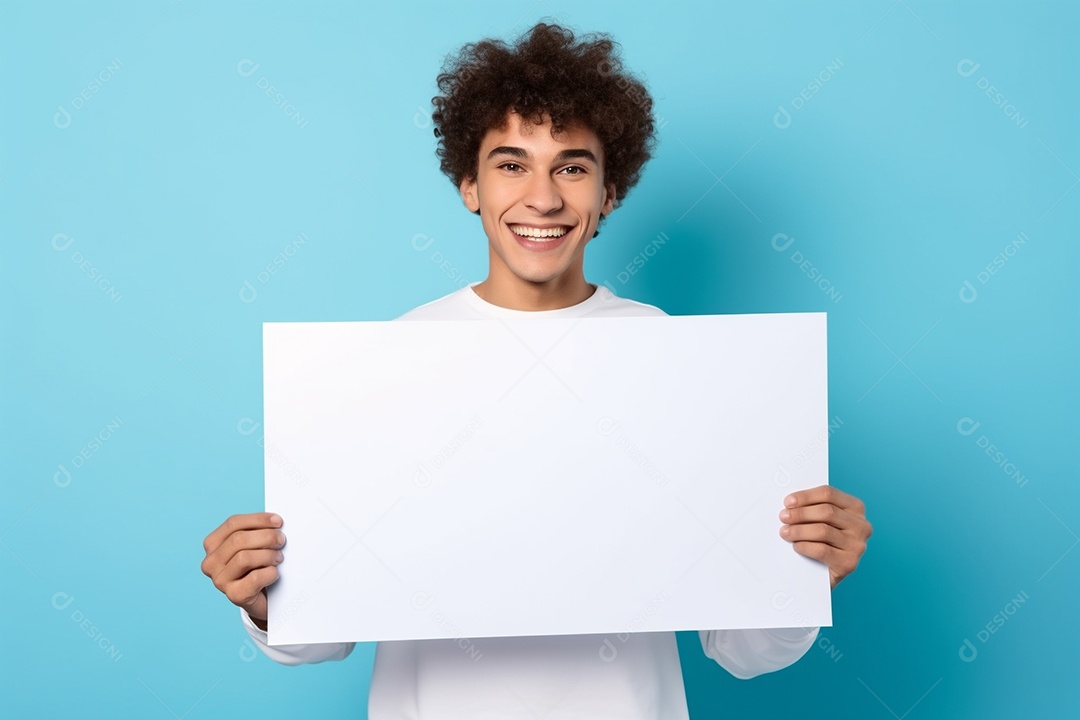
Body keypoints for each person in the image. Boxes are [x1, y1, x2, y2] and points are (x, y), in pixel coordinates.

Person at [201, 21, 872, 719]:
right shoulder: (392, 360)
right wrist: (264, 599)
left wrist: (804, 574)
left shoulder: (674, 358)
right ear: (469, 184)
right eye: (512, 164)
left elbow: (741, 647)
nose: (544, 198)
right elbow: (322, 636)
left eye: (573, 167)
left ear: (609, 193)